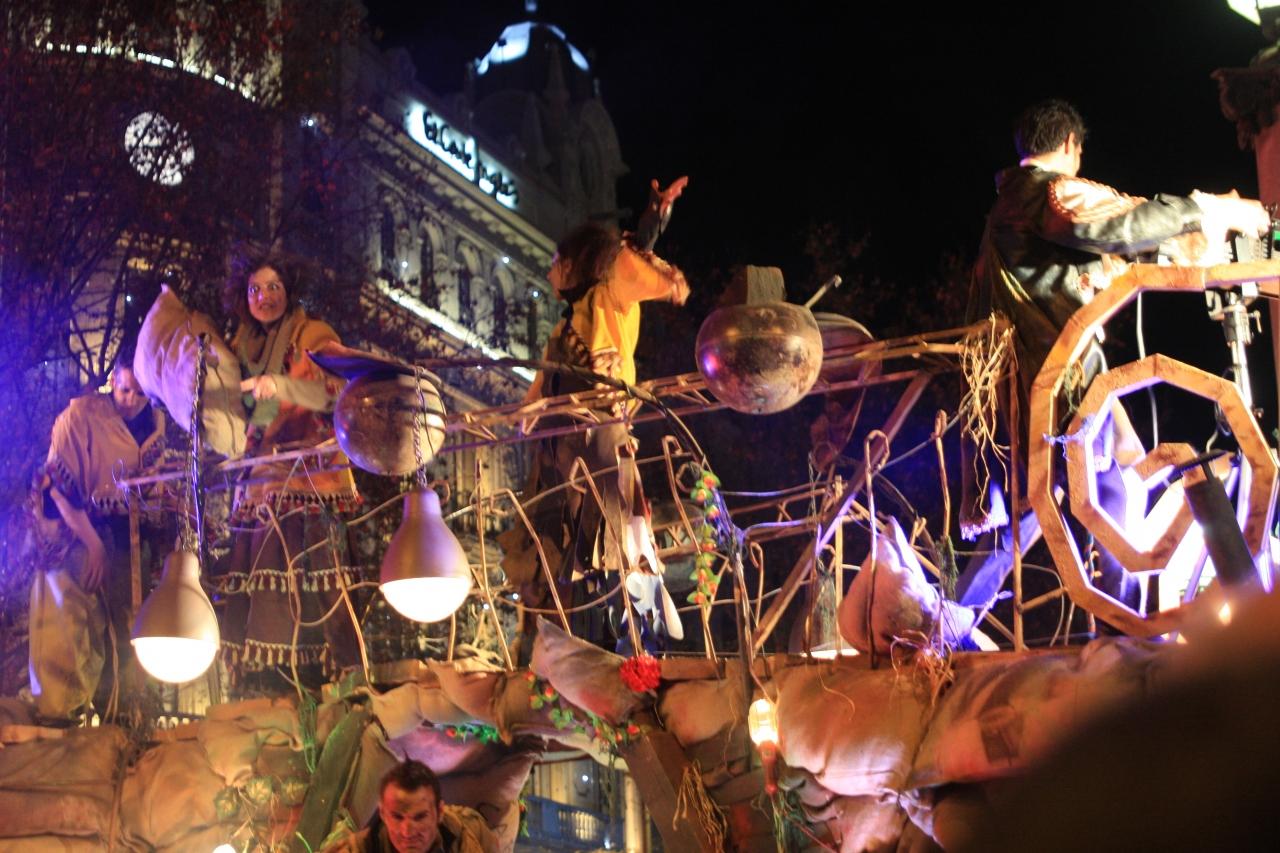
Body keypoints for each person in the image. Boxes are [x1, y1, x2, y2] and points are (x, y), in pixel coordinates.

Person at [958, 98, 1269, 614]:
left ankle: (951, 615)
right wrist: (1209, 210)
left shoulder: (1007, 209)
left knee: (1062, 492)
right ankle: (1119, 625)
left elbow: (1108, 242)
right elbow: (1116, 225)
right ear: (1070, 144)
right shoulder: (1048, 193)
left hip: (1041, 377)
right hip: (1061, 378)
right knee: (1108, 493)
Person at [502, 181, 690, 640]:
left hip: (601, 439)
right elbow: (538, 392)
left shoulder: (608, 295)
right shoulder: (563, 329)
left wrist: (652, 221)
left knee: (609, 541)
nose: (550, 274)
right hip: (560, 455)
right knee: (562, 551)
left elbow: (631, 257)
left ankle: (620, 631)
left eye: (554, 263)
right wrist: (519, 417)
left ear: (572, 264)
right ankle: (570, 632)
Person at [216, 249, 362, 684]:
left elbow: (335, 392)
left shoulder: (313, 334)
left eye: (273, 287)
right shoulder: (242, 347)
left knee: (313, 592)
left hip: (310, 482)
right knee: (260, 601)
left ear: (289, 290)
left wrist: (279, 385)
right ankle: (264, 685)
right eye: (255, 289)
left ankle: (328, 686)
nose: (264, 297)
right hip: (259, 488)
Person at [30, 358, 166, 721]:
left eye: (141, 393)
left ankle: (126, 715)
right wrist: (94, 546)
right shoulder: (81, 418)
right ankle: (66, 715)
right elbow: (58, 489)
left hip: (130, 539)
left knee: (130, 626)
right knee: (78, 628)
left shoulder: (155, 421)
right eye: (125, 390)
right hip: (78, 536)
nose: (132, 400)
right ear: (113, 382)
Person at [322, 760, 499, 853]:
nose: (407, 832)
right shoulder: (360, 849)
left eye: (419, 817)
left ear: (439, 813)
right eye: (397, 817)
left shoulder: (470, 833)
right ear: (383, 814)